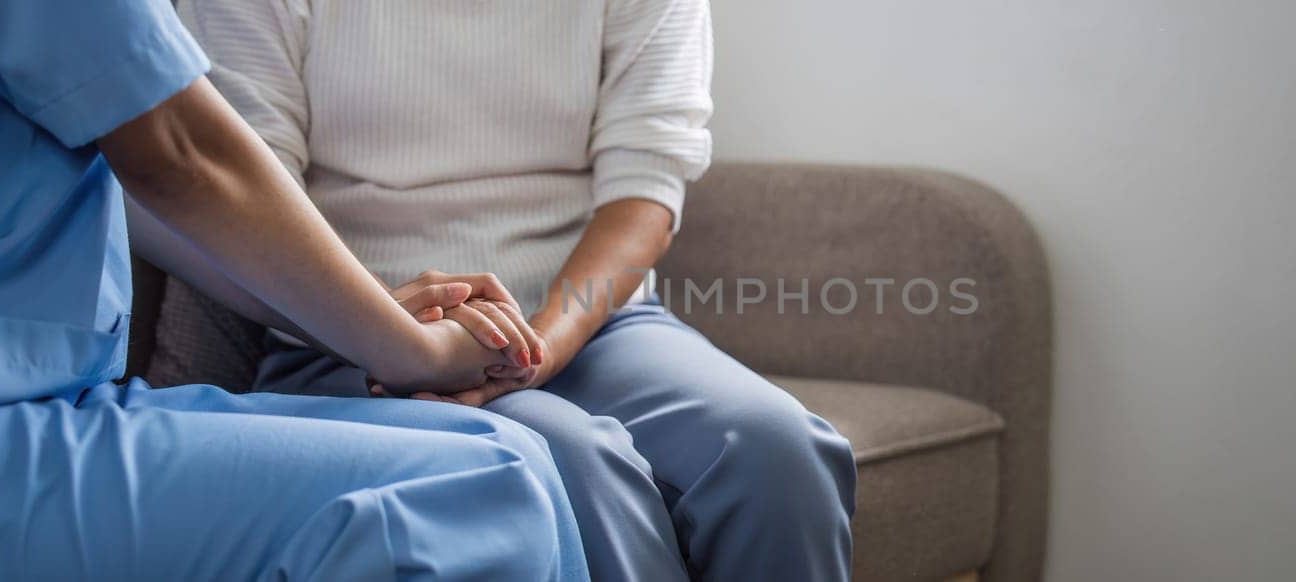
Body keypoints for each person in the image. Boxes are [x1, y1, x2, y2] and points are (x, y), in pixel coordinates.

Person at [177, 0, 858, 580]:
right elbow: (247, 195)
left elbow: (643, 193)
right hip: (348, 338)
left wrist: (542, 347)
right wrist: (400, 337)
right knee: (573, 463)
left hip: (593, 325)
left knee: (778, 451)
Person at [0, 0, 590, 579]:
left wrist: (382, 328)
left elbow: (149, 191)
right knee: (480, 488)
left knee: (508, 450)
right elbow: (180, 152)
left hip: (21, 401)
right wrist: (411, 352)